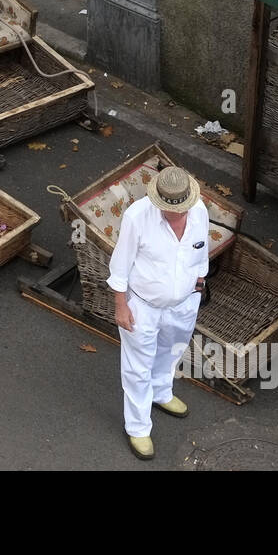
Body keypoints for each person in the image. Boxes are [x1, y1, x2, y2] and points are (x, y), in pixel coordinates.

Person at [107, 166, 209, 460]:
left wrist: (199, 283)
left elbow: (201, 250)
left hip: (184, 303)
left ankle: (162, 392)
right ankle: (138, 428)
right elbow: (120, 265)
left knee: (172, 350)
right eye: (168, 209)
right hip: (143, 306)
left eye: (180, 210)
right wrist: (120, 305)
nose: (176, 215)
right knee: (137, 367)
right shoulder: (137, 217)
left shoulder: (199, 209)